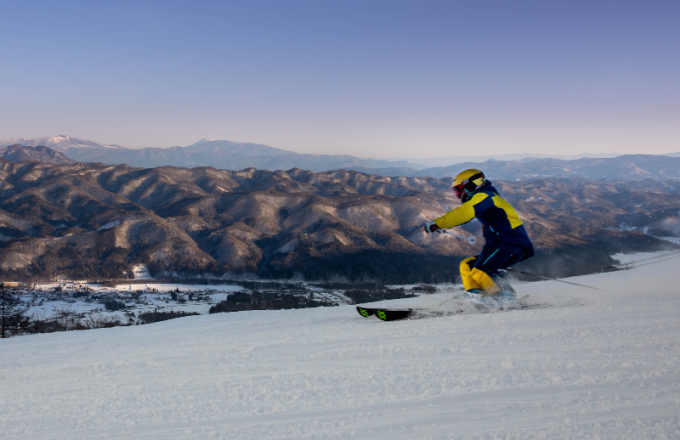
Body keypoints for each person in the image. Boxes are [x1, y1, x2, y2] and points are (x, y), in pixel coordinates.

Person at [424, 169, 534, 298]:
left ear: (470, 185)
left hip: (509, 242)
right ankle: (477, 296)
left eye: (458, 190)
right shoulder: (486, 197)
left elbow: (465, 212)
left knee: (482, 270)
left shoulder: (486, 196)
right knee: (467, 266)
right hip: (506, 244)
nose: (458, 195)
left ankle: (505, 297)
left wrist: (438, 223)